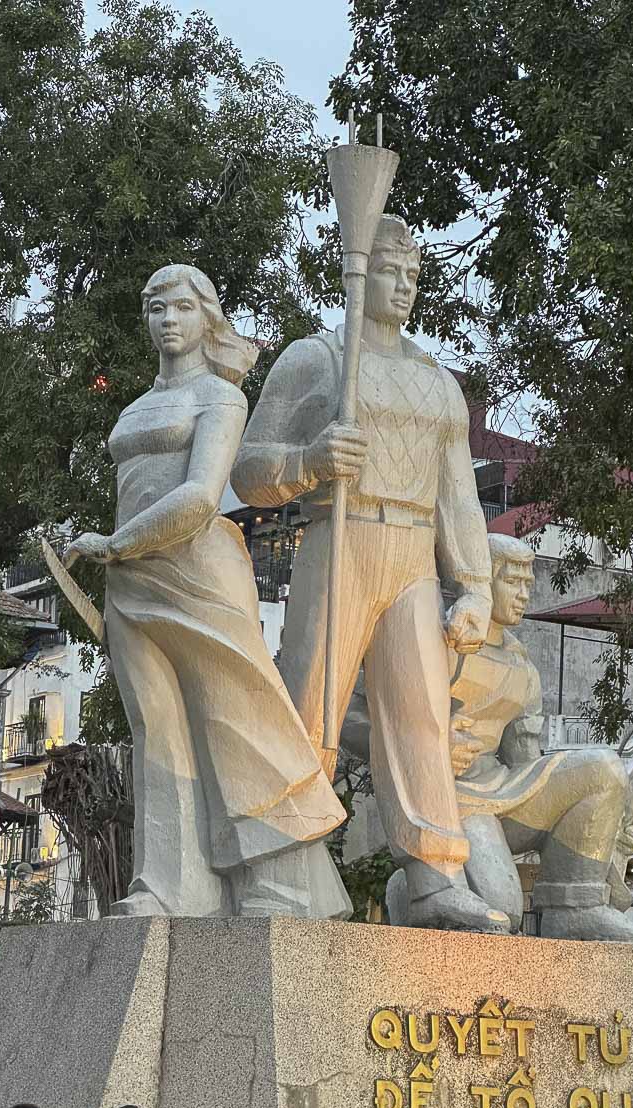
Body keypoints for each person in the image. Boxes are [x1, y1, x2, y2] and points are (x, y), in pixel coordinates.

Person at [233, 216, 507, 933]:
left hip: (414, 551)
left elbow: (458, 493)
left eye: (415, 275)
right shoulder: (315, 360)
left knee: (419, 716)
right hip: (339, 535)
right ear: (358, 274)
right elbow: (250, 469)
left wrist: (474, 585)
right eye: (392, 270)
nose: (406, 285)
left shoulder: (435, 382)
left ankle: (435, 878)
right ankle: (283, 856)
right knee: (311, 706)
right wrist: (309, 462)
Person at [65, 264, 348, 921]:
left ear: (207, 317)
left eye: (181, 308)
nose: (167, 320)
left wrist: (115, 543)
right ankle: (171, 886)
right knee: (157, 731)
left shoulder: (221, 399)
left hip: (196, 568)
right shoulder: (136, 407)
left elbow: (197, 498)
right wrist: (113, 553)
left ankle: (277, 881)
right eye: (154, 307)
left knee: (237, 719)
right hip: (130, 579)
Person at [383, 534, 633, 940]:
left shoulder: (521, 665)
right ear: (482, 581)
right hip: (448, 799)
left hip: (503, 791)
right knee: (503, 910)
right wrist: (424, 745)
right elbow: (358, 719)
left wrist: (607, 825)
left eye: (529, 584)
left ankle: (574, 907)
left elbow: (526, 762)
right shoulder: (428, 640)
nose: (525, 595)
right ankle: (414, 887)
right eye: (514, 582)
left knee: (603, 769)